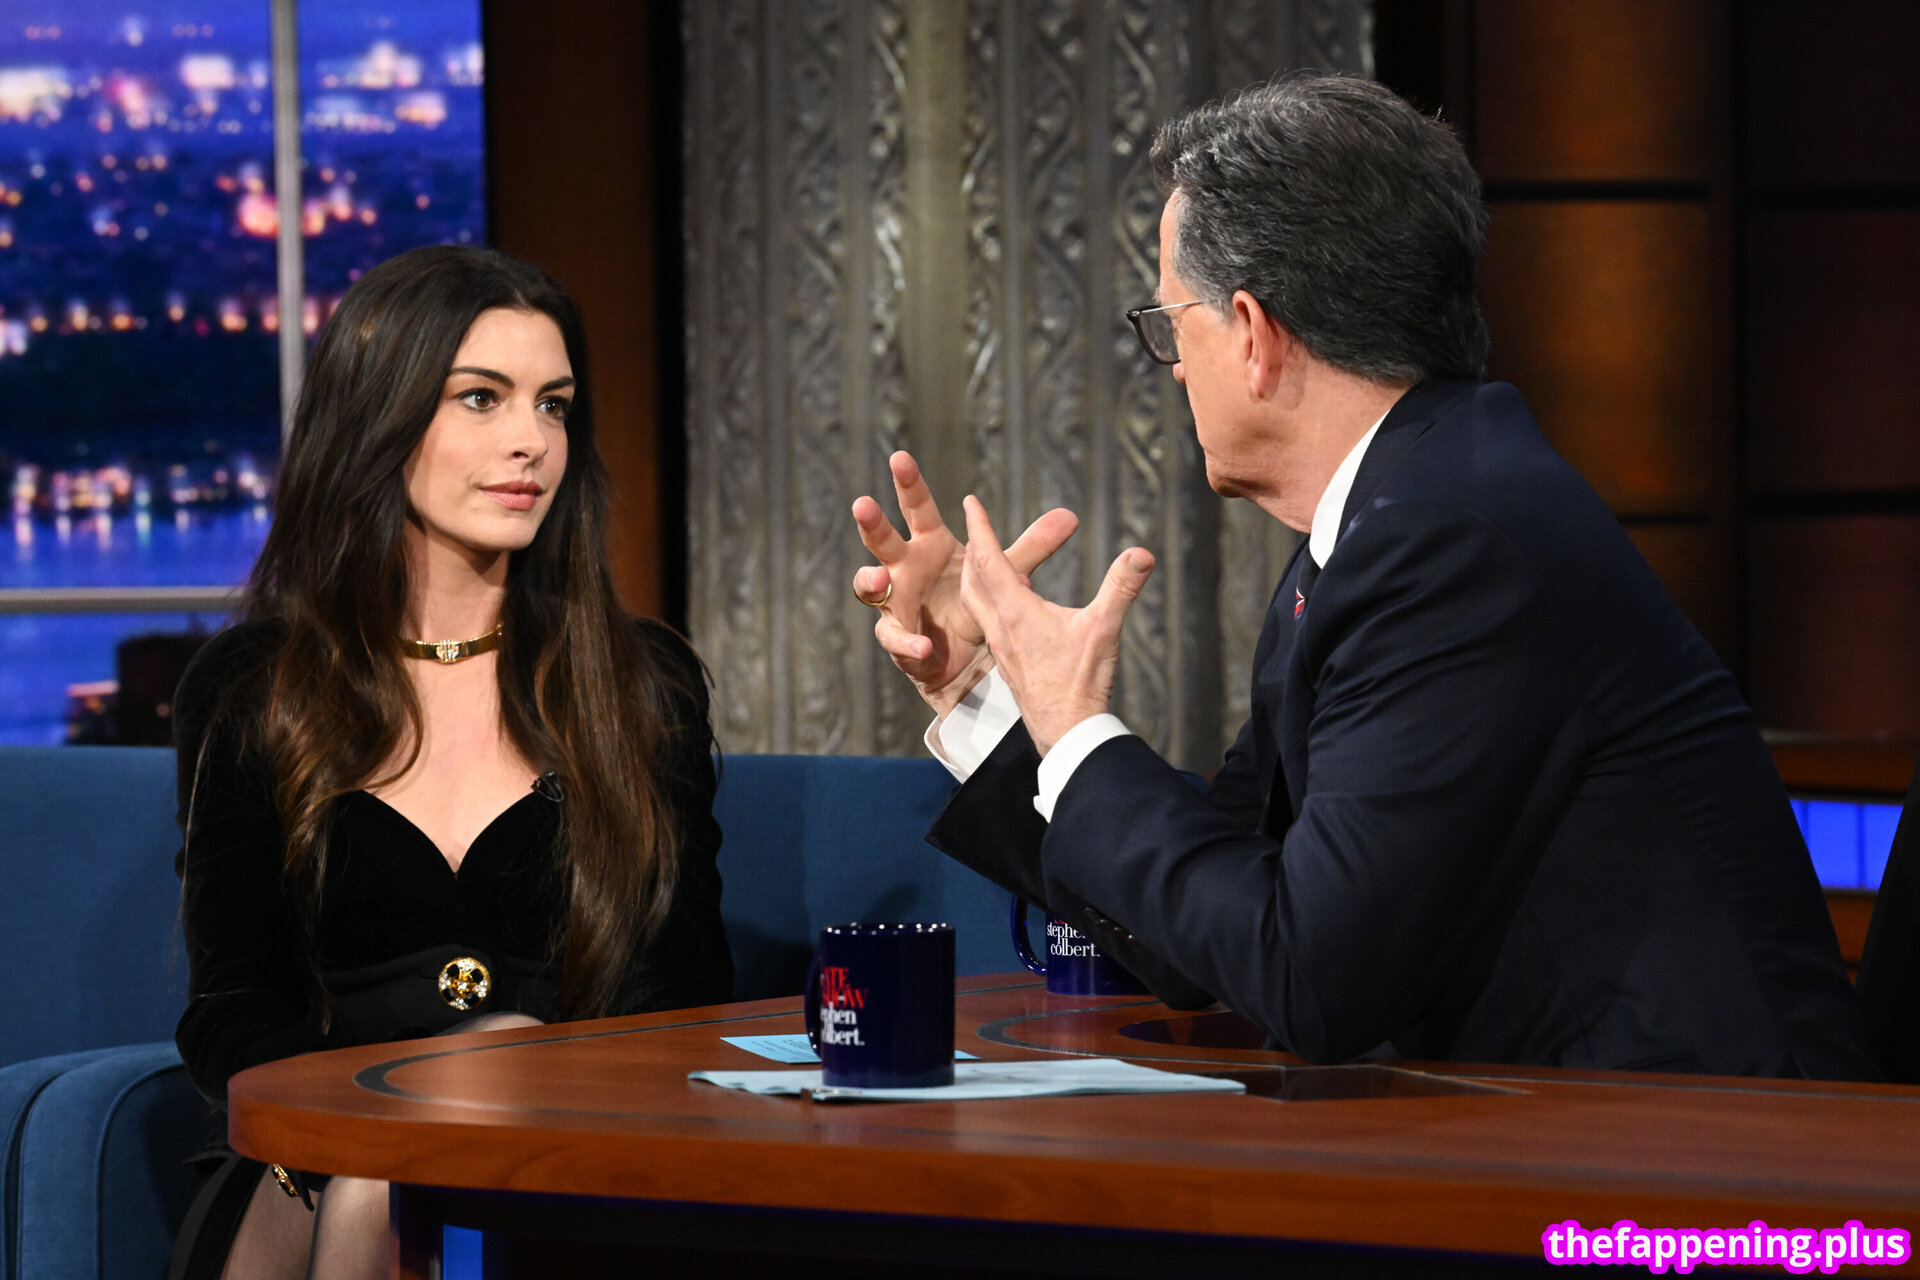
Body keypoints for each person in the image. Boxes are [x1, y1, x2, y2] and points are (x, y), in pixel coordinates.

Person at [851, 73, 1875, 1080]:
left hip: (1704, 1146)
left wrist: (1076, 724)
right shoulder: (1387, 520)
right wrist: (989, 694)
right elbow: (1209, 931)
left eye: (1172, 325)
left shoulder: (1446, 542)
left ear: (1254, 333)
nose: (1174, 366)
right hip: (1562, 1121)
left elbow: (1311, 976)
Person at [170, 245, 732, 1280]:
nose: (531, 441)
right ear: (376, 414)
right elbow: (232, 1007)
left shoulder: (639, 683)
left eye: (554, 406)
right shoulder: (256, 686)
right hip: (311, 1154)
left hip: (579, 1150)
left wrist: (507, 1073)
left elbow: (679, 997)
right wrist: (367, 1129)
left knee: (414, 1172)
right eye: (482, 397)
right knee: (380, 1185)